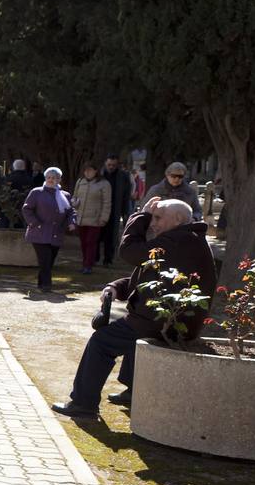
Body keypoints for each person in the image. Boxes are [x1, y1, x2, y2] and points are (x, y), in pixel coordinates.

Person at [53, 198, 214, 417]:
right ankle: (133, 390)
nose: (153, 223)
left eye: (158, 218)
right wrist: (115, 288)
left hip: (163, 321)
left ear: (177, 219)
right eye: (152, 218)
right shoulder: (184, 239)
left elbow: (130, 252)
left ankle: (83, 404)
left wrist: (141, 215)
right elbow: (148, 275)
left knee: (101, 342)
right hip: (168, 318)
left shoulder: (178, 241)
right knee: (131, 334)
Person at [22, 167, 77, 292]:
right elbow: (27, 209)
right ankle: (47, 286)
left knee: (49, 261)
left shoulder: (65, 195)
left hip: (56, 233)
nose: (52, 180)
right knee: (45, 259)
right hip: (39, 232)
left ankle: (41, 284)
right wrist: (35, 223)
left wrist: (72, 222)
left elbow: (70, 211)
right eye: (49, 177)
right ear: (45, 178)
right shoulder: (37, 192)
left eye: (55, 178)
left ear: (59, 179)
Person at [71, 161, 112, 273]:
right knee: (83, 242)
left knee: (91, 242)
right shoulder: (80, 182)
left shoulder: (104, 184)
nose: (87, 173)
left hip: (95, 218)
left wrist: (104, 218)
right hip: (81, 217)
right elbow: (74, 196)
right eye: (85, 170)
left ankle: (88, 265)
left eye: (90, 170)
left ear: (95, 171)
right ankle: (84, 263)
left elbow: (107, 203)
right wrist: (74, 203)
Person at [100, 154, 134, 266]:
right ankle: (94, 257)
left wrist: (125, 212)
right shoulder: (100, 175)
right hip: (99, 209)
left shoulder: (123, 176)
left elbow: (126, 195)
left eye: (113, 165)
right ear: (105, 164)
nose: (111, 167)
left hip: (115, 209)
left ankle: (108, 259)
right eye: (109, 165)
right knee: (98, 234)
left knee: (111, 236)